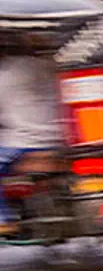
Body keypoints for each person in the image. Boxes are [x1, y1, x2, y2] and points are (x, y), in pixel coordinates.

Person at [0, 38, 65, 235]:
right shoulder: (53, 66)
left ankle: (4, 220)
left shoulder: (6, 75)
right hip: (62, 140)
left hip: (24, 143)